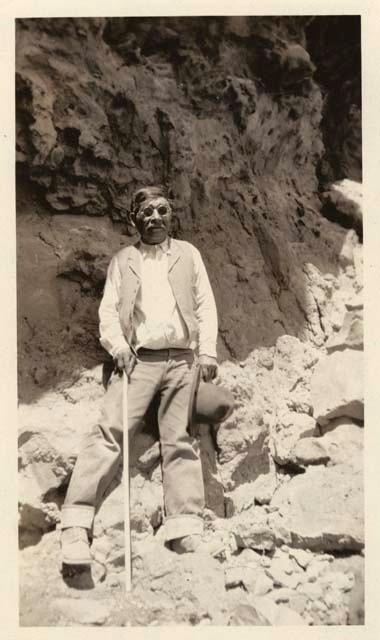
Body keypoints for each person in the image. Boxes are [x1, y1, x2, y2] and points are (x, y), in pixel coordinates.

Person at [60, 185, 219, 564]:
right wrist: (118, 348)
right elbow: (109, 313)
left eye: (162, 211)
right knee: (111, 432)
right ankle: (75, 526)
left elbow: (205, 304)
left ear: (171, 214)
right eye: (146, 213)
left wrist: (207, 351)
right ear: (135, 220)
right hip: (139, 360)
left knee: (180, 438)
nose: (155, 219)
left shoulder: (189, 255)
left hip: (183, 360)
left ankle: (184, 528)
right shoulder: (124, 260)